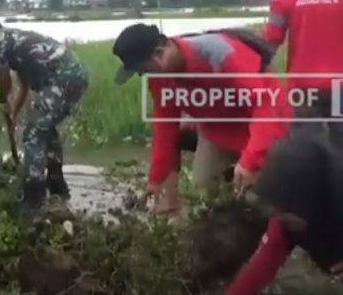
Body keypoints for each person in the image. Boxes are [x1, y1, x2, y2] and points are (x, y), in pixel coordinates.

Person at [112, 23, 290, 214]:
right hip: (217, 131)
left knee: (266, 199)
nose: (146, 76)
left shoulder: (222, 54)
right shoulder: (160, 77)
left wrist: (250, 161)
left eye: (144, 70)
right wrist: (156, 179)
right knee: (205, 192)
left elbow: (265, 109)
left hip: (266, 125)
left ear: (159, 54)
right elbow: (165, 128)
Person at [221, 122, 343, 295]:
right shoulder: (285, 220)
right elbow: (260, 266)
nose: (279, 216)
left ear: (309, 200)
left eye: (286, 211)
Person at [0, 13, 89, 214]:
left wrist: (2, 100)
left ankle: (33, 199)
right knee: (45, 130)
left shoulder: (0, 43)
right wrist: (14, 112)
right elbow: (23, 85)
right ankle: (57, 186)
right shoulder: (15, 40)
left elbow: (3, 77)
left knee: (33, 134)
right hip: (76, 77)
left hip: (62, 79)